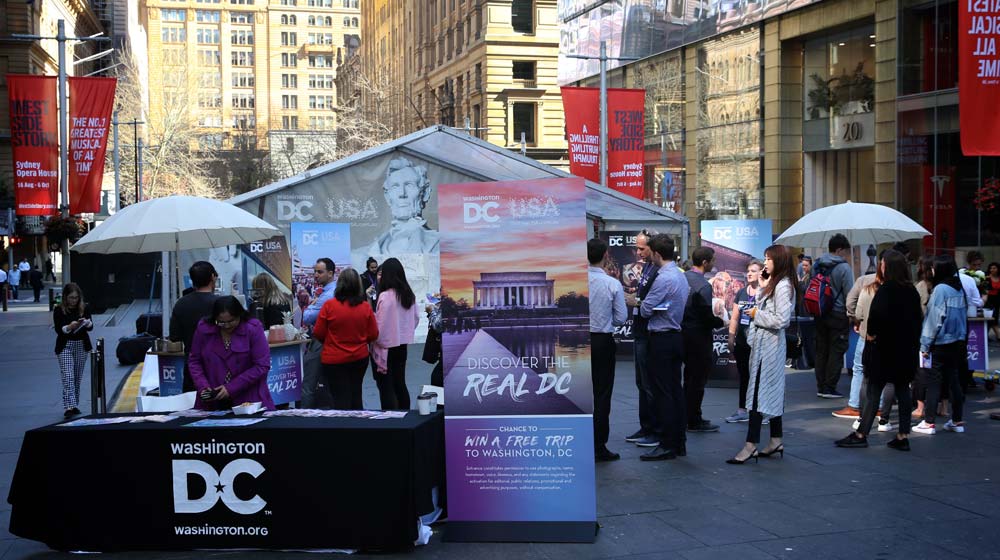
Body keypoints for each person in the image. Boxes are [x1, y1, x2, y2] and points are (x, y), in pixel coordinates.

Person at [836, 249, 921, 451]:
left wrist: (872, 333)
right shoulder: (911, 290)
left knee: (873, 390)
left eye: (883, 263)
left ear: (888, 267)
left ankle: (861, 433)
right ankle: (902, 435)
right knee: (903, 390)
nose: (881, 266)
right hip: (906, 349)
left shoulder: (887, 289)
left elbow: (876, 317)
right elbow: (918, 319)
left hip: (884, 350)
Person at [727, 245, 796, 465]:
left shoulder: (784, 286)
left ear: (779, 261)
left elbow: (781, 319)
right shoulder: (774, 283)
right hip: (762, 344)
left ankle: (751, 445)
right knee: (770, 392)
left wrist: (757, 314)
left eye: (768, 259)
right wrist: (763, 286)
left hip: (771, 346)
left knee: (757, 394)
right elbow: (763, 305)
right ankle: (776, 439)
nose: (765, 263)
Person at [638, 234, 689, 461]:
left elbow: (645, 310)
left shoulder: (663, 278)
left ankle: (668, 443)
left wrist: (639, 303)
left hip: (661, 338)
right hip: (675, 335)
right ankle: (678, 441)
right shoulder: (680, 276)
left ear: (657, 254)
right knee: (675, 391)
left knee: (663, 393)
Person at [188, 296, 275, 411]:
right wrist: (203, 387)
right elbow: (195, 361)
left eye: (231, 321)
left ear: (240, 315)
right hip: (212, 402)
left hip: (249, 400)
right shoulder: (204, 329)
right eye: (221, 322)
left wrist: (231, 388)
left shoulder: (253, 328)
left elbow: (262, 365)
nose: (227, 325)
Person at [914, 256, 968, 435]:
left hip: (940, 342)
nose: (932, 271)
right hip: (957, 342)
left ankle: (929, 422)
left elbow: (934, 320)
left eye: (934, 268)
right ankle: (957, 421)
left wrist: (925, 345)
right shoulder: (958, 288)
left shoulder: (940, 290)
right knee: (954, 381)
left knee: (934, 382)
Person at [313, 268, 379, 410]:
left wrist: (331, 341)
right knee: (356, 393)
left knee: (339, 397)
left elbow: (318, 333)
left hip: (334, 359)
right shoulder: (365, 308)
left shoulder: (329, 306)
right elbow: (373, 334)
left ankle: (342, 427)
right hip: (359, 358)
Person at [588, 238, 628, 462]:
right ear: (605, 256)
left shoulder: (578, 280)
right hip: (602, 340)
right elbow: (621, 318)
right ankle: (598, 444)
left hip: (577, 339)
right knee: (602, 394)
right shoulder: (612, 284)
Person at [624, 230, 662, 448]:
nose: (638, 252)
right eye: (637, 248)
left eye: (641, 248)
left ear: (653, 248)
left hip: (649, 334)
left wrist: (635, 302)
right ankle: (646, 426)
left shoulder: (658, 270)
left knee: (649, 384)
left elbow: (653, 304)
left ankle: (655, 430)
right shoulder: (647, 266)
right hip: (641, 332)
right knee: (641, 383)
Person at [682, 246, 723, 433]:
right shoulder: (703, 285)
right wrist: (720, 320)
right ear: (705, 262)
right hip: (699, 338)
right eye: (713, 260)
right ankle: (694, 419)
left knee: (689, 378)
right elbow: (707, 316)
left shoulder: (683, 279)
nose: (714, 264)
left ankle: (688, 415)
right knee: (697, 379)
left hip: (683, 334)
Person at [372, 258, 420, 410]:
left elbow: (379, 325)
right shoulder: (408, 294)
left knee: (386, 386)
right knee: (400, 382)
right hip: (402, 344)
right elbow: (416, 319)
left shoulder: (385, 296)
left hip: (386, 346)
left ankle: (391, 418)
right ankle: (405, 415)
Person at [813, 233, 855, 399]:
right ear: (839, 250)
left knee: (821, 350)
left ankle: (821, 385)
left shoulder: (817, 264)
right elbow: (849, 294)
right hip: (838, 314)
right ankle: (830, 387)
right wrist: (852, 315)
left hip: (819, 313)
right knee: (836, 351)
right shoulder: (844, 268)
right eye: (844, 252)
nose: (845, 255)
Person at [834, 267, 878, 419]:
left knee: (859, 367)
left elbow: (851, 302)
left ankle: (855, 405)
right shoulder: (902, 284)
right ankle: (880, 407)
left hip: (866, 330)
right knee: (885, 372)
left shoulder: (864, 281)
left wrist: (856, 319)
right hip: (890, 334)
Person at [169, 261, 219, 391]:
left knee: (193, 407)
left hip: (192, 369)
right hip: (220, 366)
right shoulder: (221, 304)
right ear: (213, 277)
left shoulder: (181, 304)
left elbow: (174, 337)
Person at [726, 259, 763, 423]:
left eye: (753, 271)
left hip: (759, 342)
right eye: (748, 270)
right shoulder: (741, 292)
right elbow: (735, 316)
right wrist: (731, 336)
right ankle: (742, 409)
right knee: (744, 376)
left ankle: (761, 411)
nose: (749, 273)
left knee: (760, 377)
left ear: (761, 273)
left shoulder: (765, 292)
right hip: (742, 342)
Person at [301, 258, 337, 408]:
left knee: (309, 383)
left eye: (319, 272)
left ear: (330, 273)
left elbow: (308, 317)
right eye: (315, 271)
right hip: (329, 342)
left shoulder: (327, 295)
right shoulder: (328, 292)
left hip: (321, 342)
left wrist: (311, 305)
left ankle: (304, 419)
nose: (316, 275)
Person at [53, 283, 93, 418]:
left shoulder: (84, 308)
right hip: (65, 345)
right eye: (71, 298)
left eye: (76, 298)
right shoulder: (59, 310)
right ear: (65, 297)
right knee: (68, 376)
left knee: (77, 376)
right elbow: (59, 329)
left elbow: (90, 327)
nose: (74, 300)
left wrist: (86, 323)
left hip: (81, 344)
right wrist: (69, 327)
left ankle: (74, 404)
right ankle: (69, 406)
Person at [986, 262, 1000, 341]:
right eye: (991, 268)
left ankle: (986, 335)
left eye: (994, 268)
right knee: (990, 317)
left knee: (995, 317)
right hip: (988, 300)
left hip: (997, 300)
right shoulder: (987, 278)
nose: (992, 270)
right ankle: (998, 335)